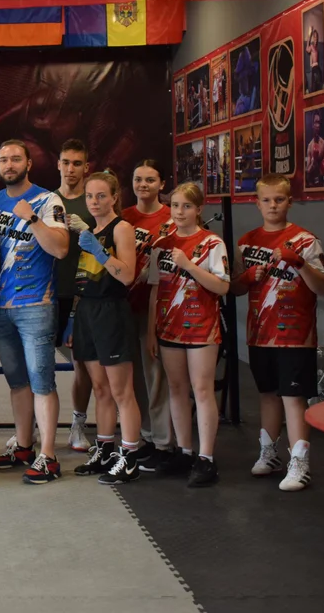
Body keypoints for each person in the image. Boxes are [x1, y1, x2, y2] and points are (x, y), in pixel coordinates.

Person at [232, 175, 324, 492]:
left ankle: (300, 463)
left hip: (295, 334)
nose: (273, 205)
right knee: (268, 394)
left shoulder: (305, 240)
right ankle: (269, 453)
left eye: (279, 199)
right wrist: (248, 276)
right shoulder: (247, 241)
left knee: (293, 396)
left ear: (290, 201)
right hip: (260, 332)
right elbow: (234, 288)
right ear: (256, 203)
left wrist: (299, 263)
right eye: (267, 200)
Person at [0, 140, 70, 485]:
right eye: (3, 159)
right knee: (17, 381)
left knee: (41, 381)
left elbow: (61, 249)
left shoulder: (49, 201)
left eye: (16, 158)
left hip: (36, 304)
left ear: (29, 163)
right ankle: (23, 446)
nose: (9, 164)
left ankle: (48, 456)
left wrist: (32, 218)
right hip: (0, 306)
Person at [148, 182, 230, 487]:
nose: (179, 212)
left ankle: (206, 457)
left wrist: (190, 266)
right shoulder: (162, 244)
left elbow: (222, 286)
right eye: (175, 206)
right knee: (176, 388)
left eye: (186, 206)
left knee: (202, 389)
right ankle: (184, 451)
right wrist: (151, 331)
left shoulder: (212, 243)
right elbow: (155, 290)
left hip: (201, 328)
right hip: (170, 326)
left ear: (198, 209)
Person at [69, 172, 143, 484]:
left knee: (121, 390)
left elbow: (126, 276)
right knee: (100, 389)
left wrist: (99, 251)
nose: (94, 202)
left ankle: (130, 457)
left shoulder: (121, 228)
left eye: (101, 196)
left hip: (111, 310)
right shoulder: (91, 229)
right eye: (89, 196)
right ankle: (105, 450)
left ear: (114, 197)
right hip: (87, 310)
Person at [122, 161, 176, 473]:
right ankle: (142, 435)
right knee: (132, 376)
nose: (143, 185)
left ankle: (163, 440)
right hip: (124, 305)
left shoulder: (171, 218)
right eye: (138, 179)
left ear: (162, 183)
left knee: (156, 375)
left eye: (150, 180)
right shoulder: (123, 217)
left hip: (156, 306)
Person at [53, 139, 95, 452]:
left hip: (83, 294)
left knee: (82, 364)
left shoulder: (92, 202)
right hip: (46, 292)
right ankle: (32, 428)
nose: (71, 169)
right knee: (39, 363)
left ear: (86, 167)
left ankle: (78, 425)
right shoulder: (46, 200)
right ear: (58, 164)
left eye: (77, 163)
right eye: (66, 162)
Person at [306, 112, 324, 187]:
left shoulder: (323, 143)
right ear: (312, 125)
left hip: (321, 182)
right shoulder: (310, 146)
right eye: (316, 122)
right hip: (312, 183)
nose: (318, 125)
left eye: (319, 122)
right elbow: (308, 170)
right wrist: (313, 162)